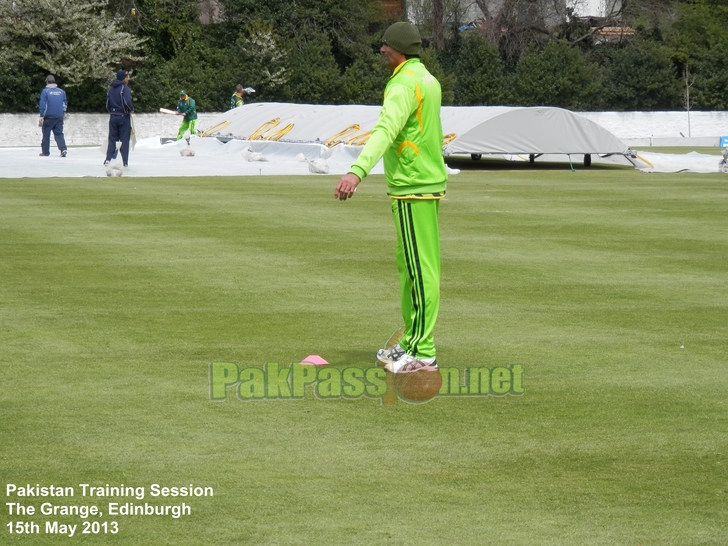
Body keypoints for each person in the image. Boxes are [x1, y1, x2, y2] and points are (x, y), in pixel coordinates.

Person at [334, 22, 447, 374]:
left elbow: (386, 130)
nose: (381, 50)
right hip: (418, 182)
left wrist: (357, 170)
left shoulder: (403, 84)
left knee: (419, 270)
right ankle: (412, 341)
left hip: (413, 185)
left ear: (398, 47)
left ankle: (422, 350)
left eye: (385, 45)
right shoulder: (425, 78)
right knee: (411, 268)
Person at [105, 70, 134, 167]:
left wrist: (112, 111)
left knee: (112, 139)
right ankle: (124, 162)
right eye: (126, 77)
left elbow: (107, 104)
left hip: (113, 116)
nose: (128, 79)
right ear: (123, 79)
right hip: (123, 116)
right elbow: (126, 101)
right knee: (124, 140)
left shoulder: (111, 89)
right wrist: (131, 109)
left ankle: (108, 159)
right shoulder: (124, 88)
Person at [38, 75, 68, 157]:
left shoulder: (45, 91)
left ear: (47, 82)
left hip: (49, 117)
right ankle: (63, 149)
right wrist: (63, 113)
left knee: (46, 135)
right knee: (59, 134)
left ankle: (45, 152)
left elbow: (43, 105)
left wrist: (41, 116)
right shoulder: (62, 92)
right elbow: (64, 104)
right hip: (59, 117)